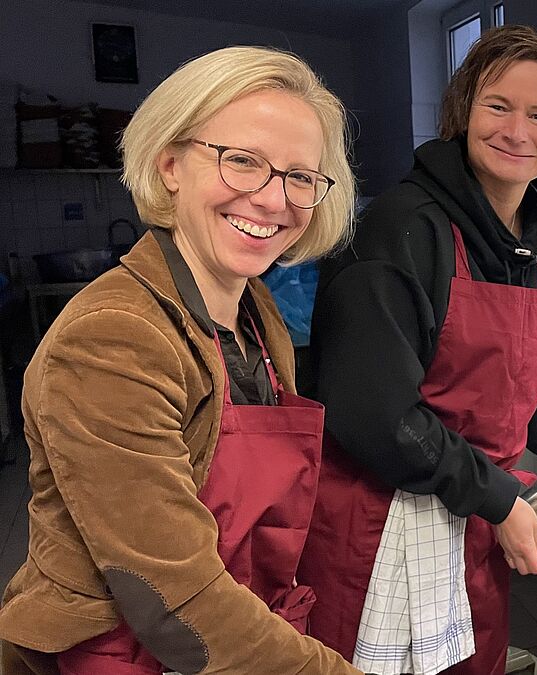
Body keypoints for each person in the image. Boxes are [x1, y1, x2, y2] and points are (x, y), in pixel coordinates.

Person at [296, 25, 537, 675]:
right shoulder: (402, 230)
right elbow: (375, 416)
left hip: (470, 527)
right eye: (498, 106)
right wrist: (496, 495)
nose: (517, 130)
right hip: (378, 526)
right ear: (463, 110)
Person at [0, 46, 365, 674]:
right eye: (243, 161)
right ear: (170, 164)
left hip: (236, 627)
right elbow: (171, 597)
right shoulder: (113, 339)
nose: (274, 200)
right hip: (137, 650)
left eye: (299, 176)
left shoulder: (254, 308)